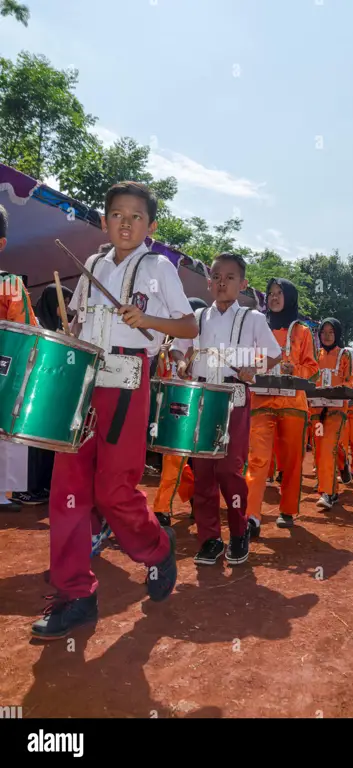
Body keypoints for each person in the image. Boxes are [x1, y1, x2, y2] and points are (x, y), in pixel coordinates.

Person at [31, 182, 198, 640]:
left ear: (151, 226)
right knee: (67, 489)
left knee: (113, 490)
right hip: (84, 379)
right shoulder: (91, 265)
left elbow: (187, 324)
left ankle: (157, 547)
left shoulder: (158, 267)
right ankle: (75, 595)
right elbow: (83, 321)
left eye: (136, 216)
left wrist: (148, 321)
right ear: (104, 221)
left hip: (127, 379)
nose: (126, 223)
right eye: (117, 215)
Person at [173, 253, 281, 565]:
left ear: (242, 284)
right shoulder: (200, 318)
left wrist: (254, 370)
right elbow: (187, 351)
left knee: (228, 470)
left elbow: (273, 353)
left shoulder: (253, 319)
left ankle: (237, 532)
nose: (222, 282)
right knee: (203, 470)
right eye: (216, 276)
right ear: (209, 283)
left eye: (229, 277)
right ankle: (209, 539)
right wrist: (183, 364)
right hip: (203, 398)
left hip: (234, 397)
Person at [246, 278, 318, 534]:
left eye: (279, 293)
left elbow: (312, 369)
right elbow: (247, 359)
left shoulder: (302, 331)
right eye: (270, 294)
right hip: (261, 400)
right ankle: (251, 515)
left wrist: (293, 368)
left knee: (291, 461)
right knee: (257, 459)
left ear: (289, 298)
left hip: (293, 403)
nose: (274, 298)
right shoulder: (257, 326)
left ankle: (287, 509)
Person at [12, 283, 74, 507]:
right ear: (51, 302)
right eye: (63, 303)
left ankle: (44, 485)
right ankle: (26, 489)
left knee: (47, 442)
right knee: (31, 442)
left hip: (51, 392)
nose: (67, 308)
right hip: (32, 390)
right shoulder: (35, 323)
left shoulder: (62, 325)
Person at [152, 298, 209, 526]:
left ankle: (199, 499)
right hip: (179, 405)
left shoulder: (211, 339)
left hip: (207, 404)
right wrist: (174, 359)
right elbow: (165, 369)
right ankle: (162, 508)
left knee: (202, 461)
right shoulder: (173, 344)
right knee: (174, 457)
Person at [0, 204, 37, 512]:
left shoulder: (10, 284)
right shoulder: (10, 284)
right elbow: (26, 329)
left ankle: (3, 492)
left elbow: (24, 329)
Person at [309, 318, 353, 509]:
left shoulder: (344, 355)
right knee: (320, 447)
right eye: (323, 332)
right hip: (317, 410)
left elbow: (350, 382)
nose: (326, 336)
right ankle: (341, 466)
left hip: (336, 409)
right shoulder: (313, 355)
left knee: (328, 446)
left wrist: (337, 389)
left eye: (331, 332)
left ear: (337, 334)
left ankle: (327, 492)